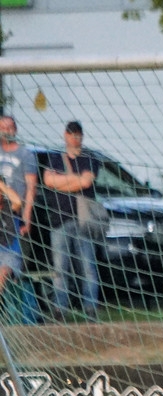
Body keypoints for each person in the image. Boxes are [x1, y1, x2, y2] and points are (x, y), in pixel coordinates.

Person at [39, 120, 102, 323]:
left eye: (78, 134)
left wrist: (62, 182)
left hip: (84, 221)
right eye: (71, 134)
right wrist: (74, 180)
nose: (75, 137)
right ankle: (59, 309)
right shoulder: (55, 157)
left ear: (82, 136)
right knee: (60, 268)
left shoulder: (89, 157)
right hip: (59, 220)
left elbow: (86, 182)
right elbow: (48, 181)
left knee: (87, 267)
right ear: (65, 135)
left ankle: (90, 309)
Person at [0, 116, 38, 239]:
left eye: (9, 128)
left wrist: (27, 215)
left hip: (16, 212)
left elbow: (31, 187)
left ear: (15, 130)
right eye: (3, 128)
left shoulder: (25, 154)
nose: (6, 131)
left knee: (14, 248)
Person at [0, 176, 24, 302]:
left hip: (10, 256)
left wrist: (2, 185)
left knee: (3, 273)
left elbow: (18, 201)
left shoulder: (10, 207)